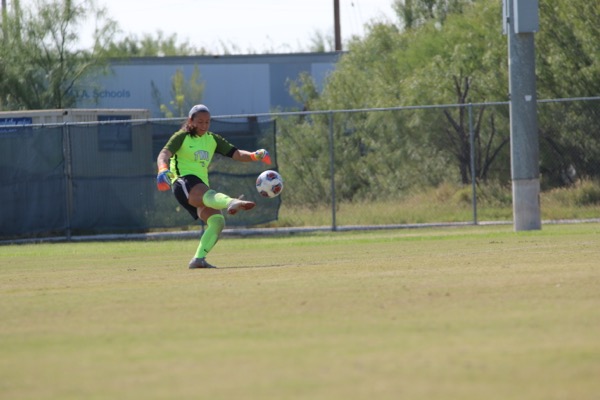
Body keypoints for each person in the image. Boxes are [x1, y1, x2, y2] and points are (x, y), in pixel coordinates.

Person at [156, 104, 271, 269]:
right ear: (191, 120)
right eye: (200, 122)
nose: (204, 125)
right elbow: (163, 154)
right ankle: (231, 202)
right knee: (208, 194)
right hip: (183, 182)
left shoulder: (212, 139)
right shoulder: (181, 137)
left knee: (217, 221)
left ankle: (198, 259)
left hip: (200, 187)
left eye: (207, 122)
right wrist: (162, 169)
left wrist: (255, 155)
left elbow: (237, 154)